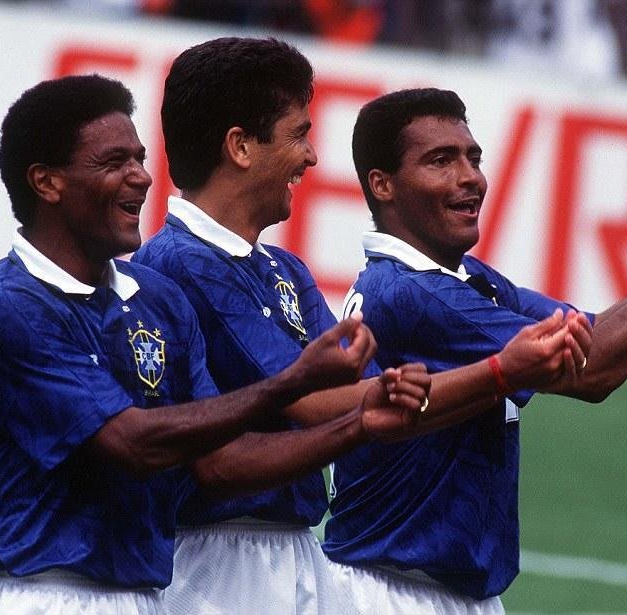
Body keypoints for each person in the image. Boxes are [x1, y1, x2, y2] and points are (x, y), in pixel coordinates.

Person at [0, 74, 433, 614]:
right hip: (33, 597)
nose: (141, 177)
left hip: (143, 600)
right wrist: (295, 381)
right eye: (114, 163)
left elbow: (220, 462)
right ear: (46, 182)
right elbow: (133, 444)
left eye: (140, 158)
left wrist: (357, 425)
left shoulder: (158, 300)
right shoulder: (3, 305)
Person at [133, 38, 592, 614]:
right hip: (217, 565)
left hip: (294, 552)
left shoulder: (284, 269)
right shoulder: (180, 262)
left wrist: (454, 383)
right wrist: (499, 372)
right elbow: (318, 403)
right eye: (299, 135)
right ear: (241, 146)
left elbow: (371, 395)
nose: (311, 157)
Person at [322, 87, 627, 613]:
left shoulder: (463, 279)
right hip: (392, 594)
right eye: (441, 161)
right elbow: (593, 369)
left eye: (473, 158)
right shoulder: (413, 294)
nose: (470, 177)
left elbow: (589, 335)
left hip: (441, 591)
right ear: (383, 185)